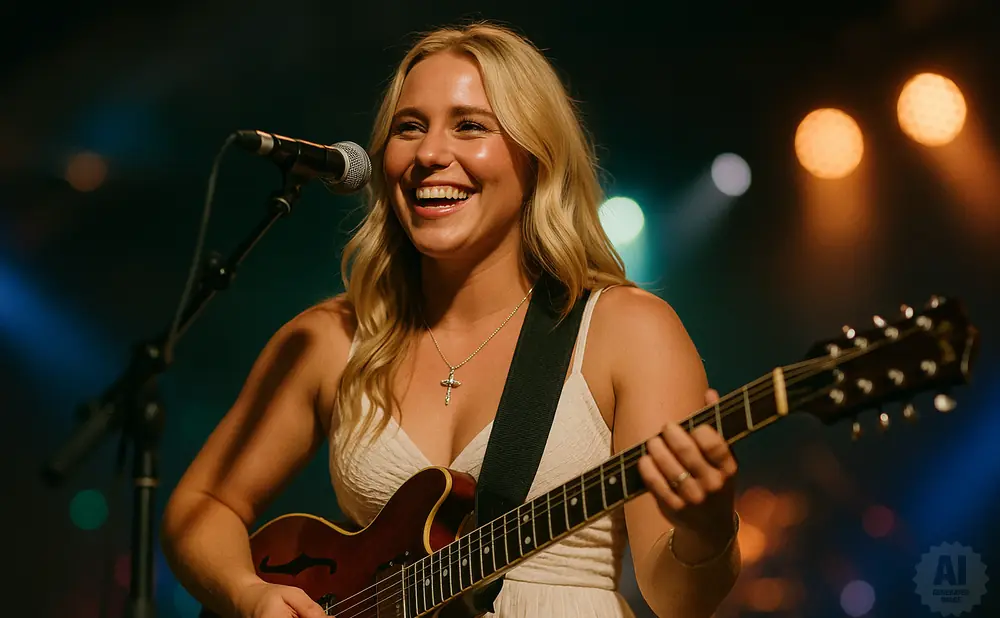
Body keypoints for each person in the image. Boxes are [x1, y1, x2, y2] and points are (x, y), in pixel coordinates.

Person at [161, 21, 741, 618]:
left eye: (470, 126)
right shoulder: (333, 339)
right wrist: (249, 594)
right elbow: (200, 505)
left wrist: (707, 527)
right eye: (409, 127)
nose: (431, 154)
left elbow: (678, 599)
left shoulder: (628, 331)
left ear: (537, 157)